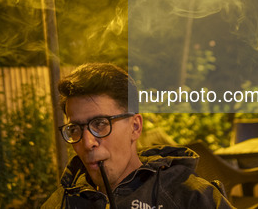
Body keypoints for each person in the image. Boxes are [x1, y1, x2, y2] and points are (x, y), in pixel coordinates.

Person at [42, 63, 235, 208]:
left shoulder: (185, 195)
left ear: (135, 127)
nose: (87, 142)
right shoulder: (61, 203)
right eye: (75, 128)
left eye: (100, 124)